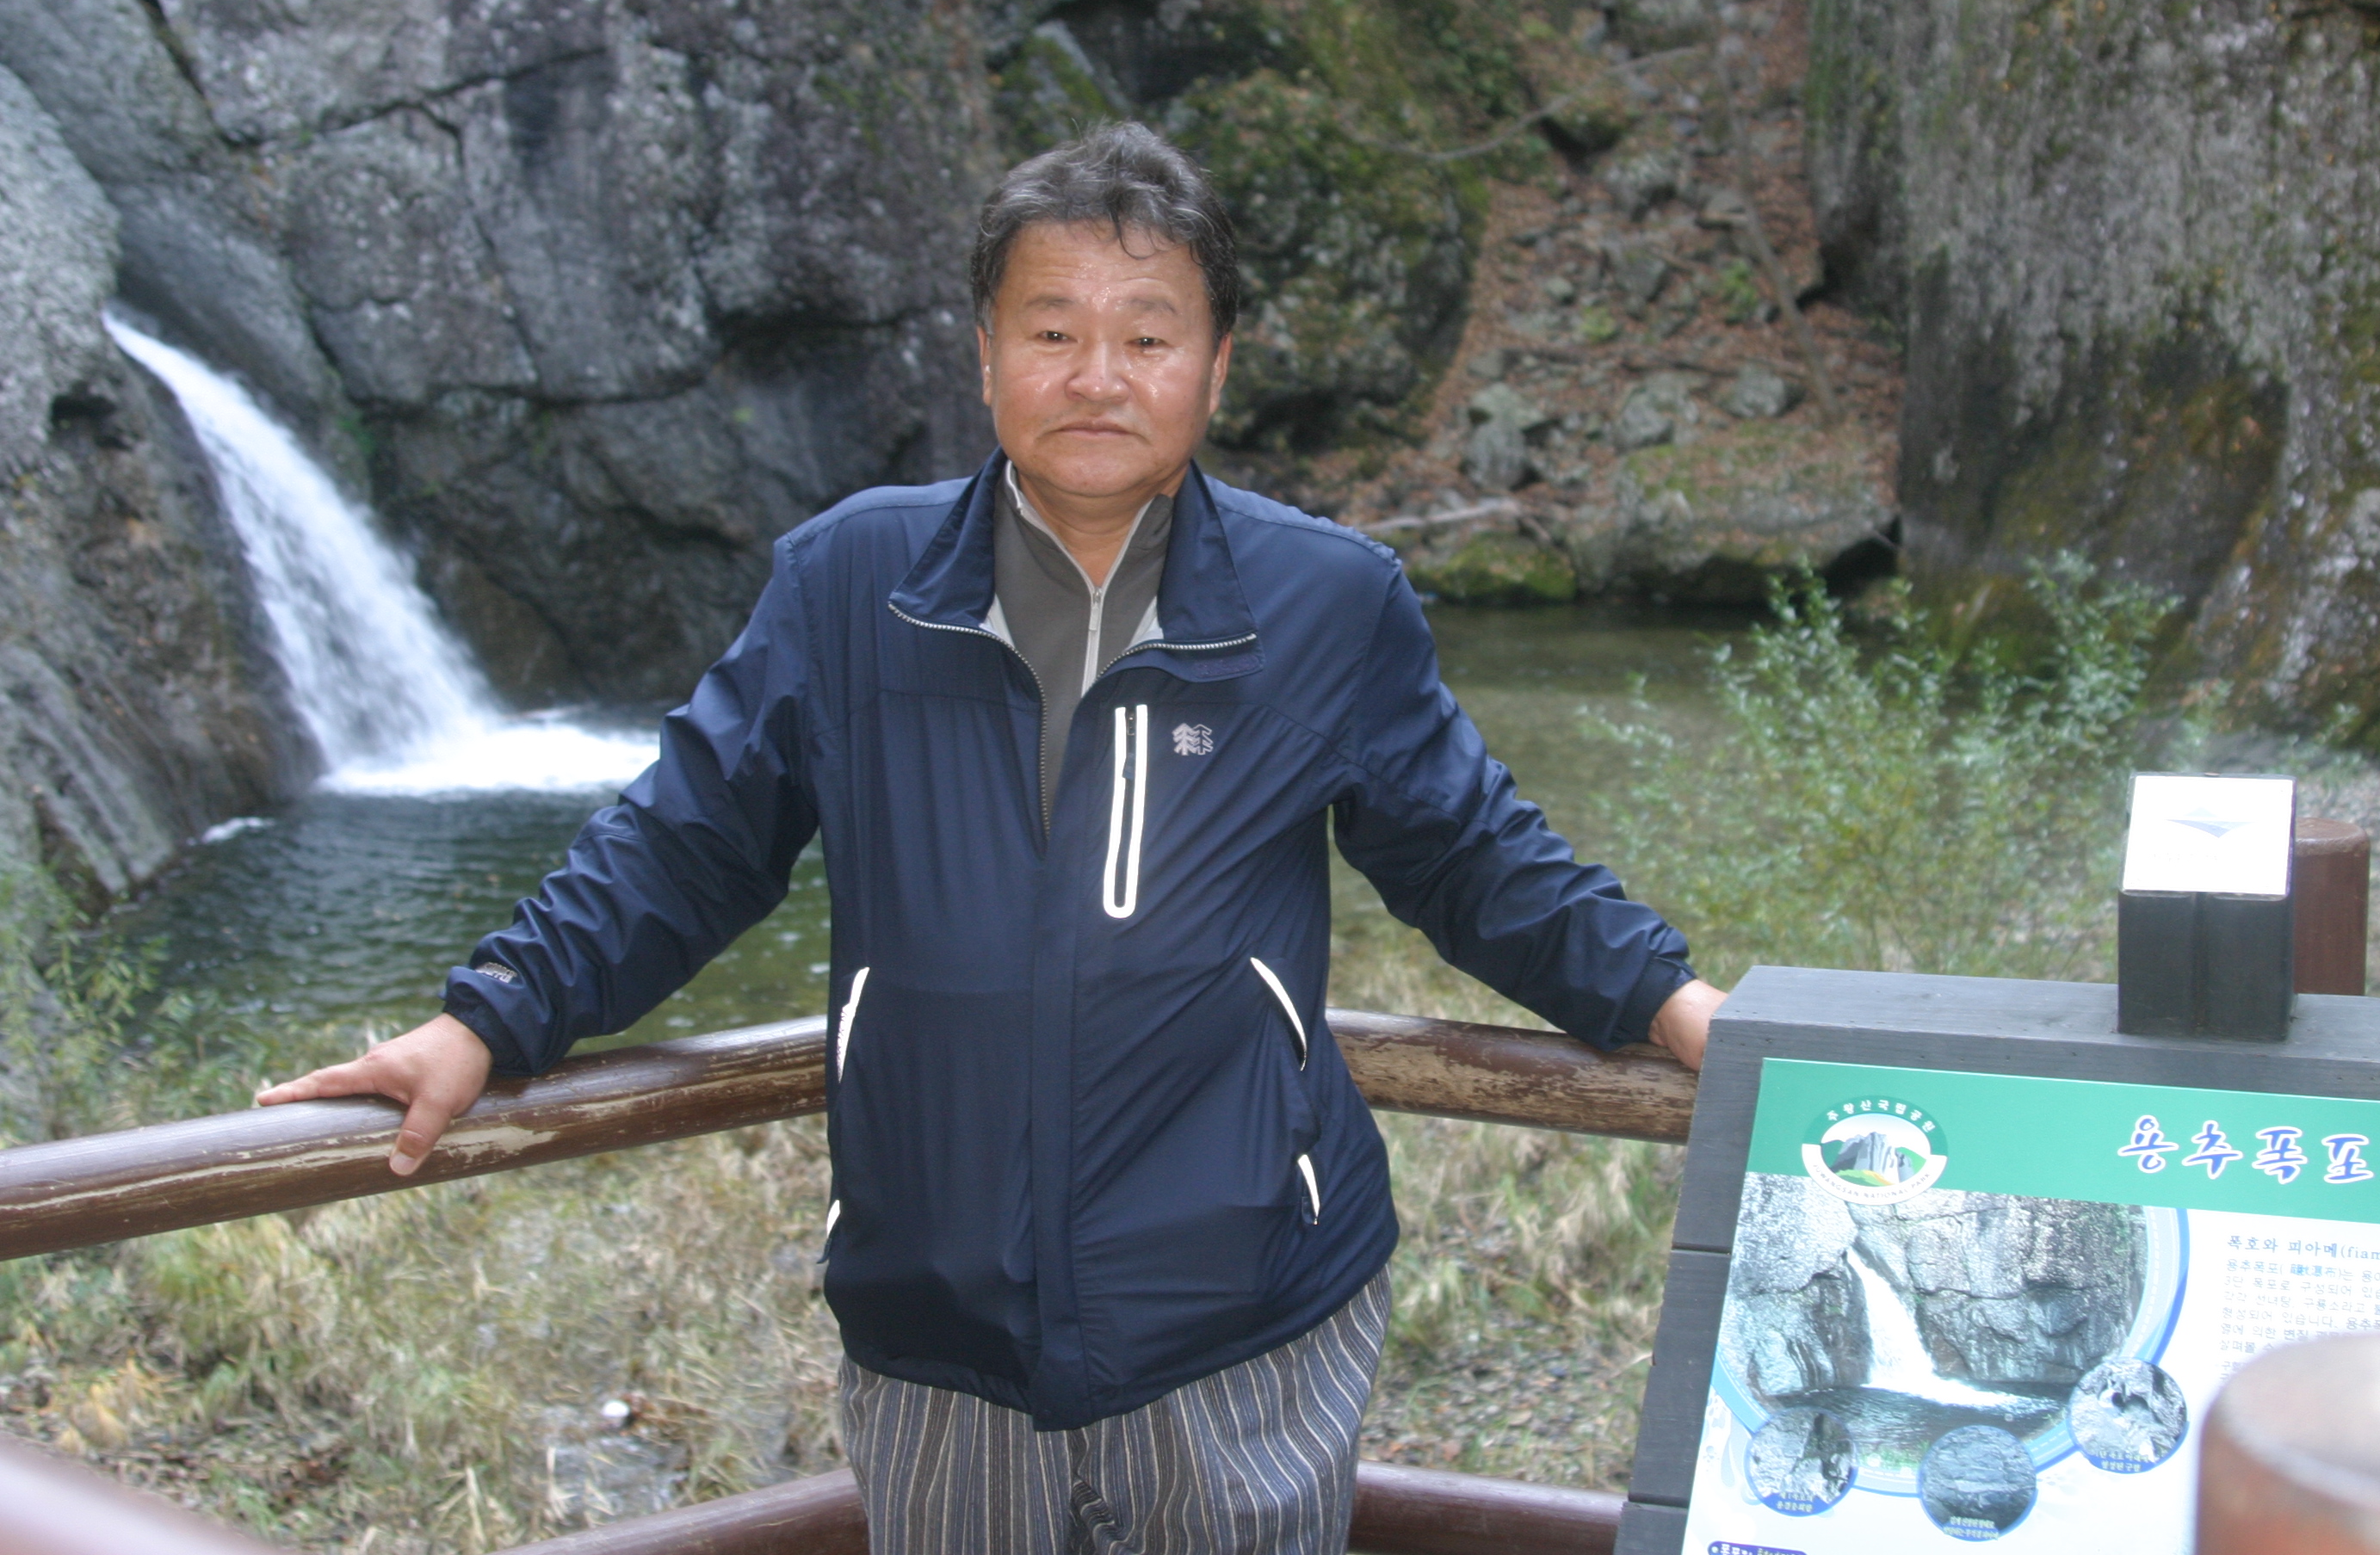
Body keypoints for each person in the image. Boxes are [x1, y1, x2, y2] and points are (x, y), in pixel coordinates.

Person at [259, 123, 1726, 1554]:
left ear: (1217, 367)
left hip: (1241, 1324)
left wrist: (1668, 1001)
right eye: (1052, 331)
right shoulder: (852, 583)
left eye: (1147, 337)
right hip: (938, 1332)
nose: (1098, 376)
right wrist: (490, 1017)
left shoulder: (1324, 603)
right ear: (983, 354)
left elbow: (1471, 853)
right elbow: (686, 842)